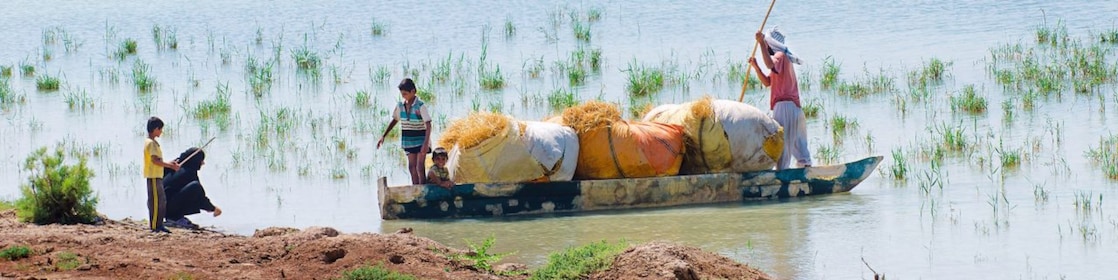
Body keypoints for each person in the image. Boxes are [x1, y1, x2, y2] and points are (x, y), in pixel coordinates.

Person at [748, 27, 812, 170]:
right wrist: (756, 67)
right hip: (794, 108)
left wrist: (761, 44)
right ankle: (806, 169)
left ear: (771, 44)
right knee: (798, 143)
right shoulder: (783, 59)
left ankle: (782, 174)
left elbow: (770, 64)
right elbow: (767, 82)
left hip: (784, 107)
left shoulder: (780, 56)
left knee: (782, 143)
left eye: (767, 44)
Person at [377, 78, 432, 185]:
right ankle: (415, 188)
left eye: (405, 94)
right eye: (402, 94)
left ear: (413, 91)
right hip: (409, 140)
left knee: (420, 167)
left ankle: (423, 189)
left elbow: (428, 124)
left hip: (421, 140)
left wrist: (426, 143)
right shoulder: (400, 106)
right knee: (412, 167)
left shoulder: (420, 106)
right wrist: (383, 136)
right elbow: (395, 120)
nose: (403, 96)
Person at [163, 147, 222, 229]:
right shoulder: (188, 173)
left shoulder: (172, 167)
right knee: (196, 187)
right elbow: (199, 195)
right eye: (201, 160)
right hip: (168, 208)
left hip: (160, 208)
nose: (203, 163)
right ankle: (174, 218)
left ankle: (174, 217)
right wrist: (213, 208)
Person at [143, 117, 179, 233]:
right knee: (155, 201)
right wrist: (170, 166)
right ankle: (155, 226)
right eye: (160, 129)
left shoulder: (153, 143)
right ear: (155, 129)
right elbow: (155, 160)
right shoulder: (151, 143)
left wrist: (169, 164)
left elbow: (158, 160)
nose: (161, 132)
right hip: (153, 176)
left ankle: (159, 224)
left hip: (157, 176)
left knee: (162, 200)